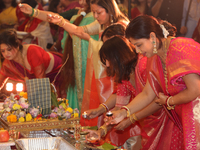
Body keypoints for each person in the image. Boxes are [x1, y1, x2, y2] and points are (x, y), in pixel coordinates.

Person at [105, 15, 200, 149]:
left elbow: (195, 90)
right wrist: (124, 112)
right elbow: (147, 94)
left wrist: (168, 101)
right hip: (185, 117)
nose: (138, 51)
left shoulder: (179, 48)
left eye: (139, 45)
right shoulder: (155, 58)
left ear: (153, 37)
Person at [0, 28, 64, 98]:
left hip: (61, 73)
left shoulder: (33, 52)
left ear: (17, 46)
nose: (6, 54)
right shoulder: (8, 63)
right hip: (43, 82)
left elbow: (41, 83)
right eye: (3, 51)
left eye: (9, 49)